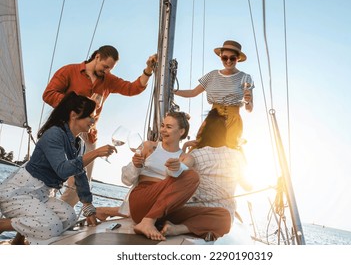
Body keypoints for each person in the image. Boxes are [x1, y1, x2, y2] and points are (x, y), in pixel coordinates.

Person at [42, 45, 157, 207]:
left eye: (110, 69)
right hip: (62, 129)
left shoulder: (108, 80)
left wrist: (148, 70)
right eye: (105, 67)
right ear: (97, 57)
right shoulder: (69, 71)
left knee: (81, 182)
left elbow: (132, 88)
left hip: (88, 135)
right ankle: (36, 217)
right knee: (50, 176)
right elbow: (48, 94)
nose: (107, 71)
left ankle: (57, 217)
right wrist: (78, 105)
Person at [0, 92, 117, 244]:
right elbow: (62, 169)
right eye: (90, 116)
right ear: (74, 115)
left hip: (42, 194)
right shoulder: (54, 134)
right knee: (50, 226)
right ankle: (2, 225)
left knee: (69, 218)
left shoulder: (78, 143)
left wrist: (88, 208)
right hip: (19, 192)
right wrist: (95, 153)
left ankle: (21, 244)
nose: (93, 120)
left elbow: (79, 175)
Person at [96, 111, 231, 241]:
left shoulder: (186, 158)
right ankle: (147, 222)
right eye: (162, 126)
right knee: (192, 176)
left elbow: (178, 178)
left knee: (224, 217)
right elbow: (126, 180)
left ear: (181, 132)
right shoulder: (149, 146)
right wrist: (135, 165)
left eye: (169, 127)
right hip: (142, 200)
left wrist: (176, 169)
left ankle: (175, 229)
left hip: (165, 210)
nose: (163, 130)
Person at [174, 40, 254, 150]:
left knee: (229, 153)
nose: (228, 61)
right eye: (225, 58)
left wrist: (248, 101)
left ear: (238, 58)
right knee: (201, 148)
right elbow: (193, 92)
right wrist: (172, 91)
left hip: (233, 120)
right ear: (220, 57)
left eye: (233, 58)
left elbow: (249, 108)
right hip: (213, 117)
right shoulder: (212, 75)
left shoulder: (245, 77)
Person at [183, 108, 252, 223]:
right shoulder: (236, 155)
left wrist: (185, 147)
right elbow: (247, 186)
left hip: (198, 212)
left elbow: (180, 176)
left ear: (204, 131)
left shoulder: (196, 154)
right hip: (225, 215)